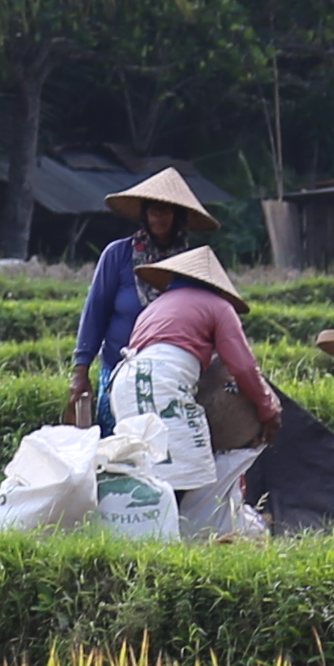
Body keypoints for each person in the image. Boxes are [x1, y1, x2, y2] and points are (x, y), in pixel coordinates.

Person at [95, 240, 282, 541]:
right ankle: (177, 538)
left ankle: (136, 532)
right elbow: (243, 367)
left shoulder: (154, 307)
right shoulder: (218, 306)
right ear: (216, 286)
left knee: (144, 463)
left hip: (126, 383)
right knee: (182, 472)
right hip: (163, 383)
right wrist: (268, 410)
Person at [64, 165, 213, 421]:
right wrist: (81, 371)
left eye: (165, 210)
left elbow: (207, 318)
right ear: (144, 213)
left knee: (164, 448)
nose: (158, 217)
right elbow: (95, 312)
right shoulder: (118, 255)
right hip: (118, 369)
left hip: (172, 376)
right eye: (152, 209)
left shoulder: (193, 263)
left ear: (179, 215)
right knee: (117, 447)